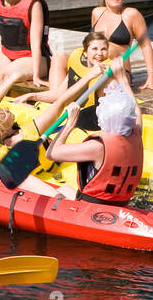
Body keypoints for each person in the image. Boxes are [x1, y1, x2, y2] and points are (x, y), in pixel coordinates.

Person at [0, 62, 112, 198]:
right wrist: (89, 76)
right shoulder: (30, 133)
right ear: (1, 129)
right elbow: (61, 102)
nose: (6, 108)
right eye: (4, 113)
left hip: (30, 177)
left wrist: (10, 81)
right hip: (50, 174)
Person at [44, 67, 144, 205]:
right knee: (65, 188)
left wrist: (70, 124)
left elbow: (51, 153)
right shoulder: (136, 133)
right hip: (122, 203)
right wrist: (123, 80)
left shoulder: (98, 147)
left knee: (58, 190)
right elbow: (137, 111)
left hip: (93, 207)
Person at [9, 31, 112, 130]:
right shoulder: (76, 58)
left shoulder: (108, 72)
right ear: (85, 52)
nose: (99, 53)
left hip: (84, 120)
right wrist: (31, 96)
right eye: (94, 49)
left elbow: (104, 112)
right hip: (65, 111)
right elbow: (59, 94)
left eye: (104, 49)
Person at [89, 0, 153, 90]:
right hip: (94, 69)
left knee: (109, 48)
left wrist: (151, 78)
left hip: (120, 72)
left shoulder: (131, 14)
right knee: (60, 59)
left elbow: (146, 46)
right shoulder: (96, 13)